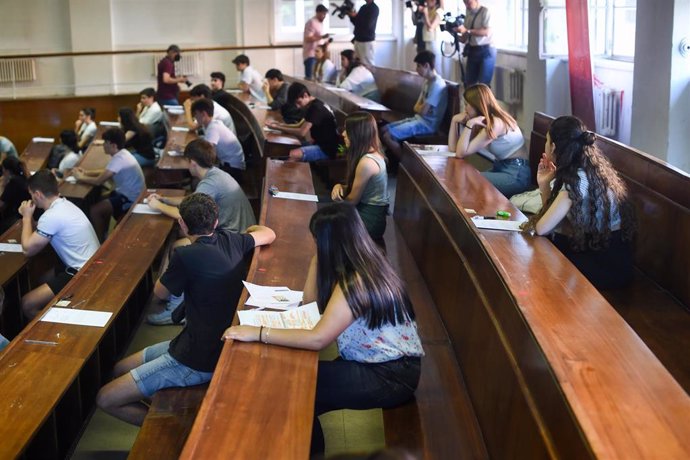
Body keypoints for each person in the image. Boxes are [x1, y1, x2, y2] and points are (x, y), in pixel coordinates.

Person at [223, 203, 423, 456]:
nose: (315, 244)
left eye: (317, 240)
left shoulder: (357, 281)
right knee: (299, 382)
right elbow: (310, 304)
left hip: (389, 374)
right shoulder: (366, 261)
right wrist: (317, 260)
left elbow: (318, 338)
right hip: (383, 362)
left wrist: (258, 332)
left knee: (297, 390)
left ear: (330, 241)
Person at [96, 193, 275, 426]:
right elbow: (268, 233)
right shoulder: (232, 240)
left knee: (105, 398)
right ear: (216, 222)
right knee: (121, 368)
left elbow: (160, 294)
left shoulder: (185, 255)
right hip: (199, 342)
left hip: (194, 359)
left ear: (182, 223)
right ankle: (163, 410)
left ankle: (171, 428)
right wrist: (249, 229)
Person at [146, 139, 256, 325]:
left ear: (192, 162)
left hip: (231, 237)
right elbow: (192, 201)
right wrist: (165, 199)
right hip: (237, 233)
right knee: (182, 239)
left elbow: (186, 215)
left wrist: (157, 206)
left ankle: (175, 308)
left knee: (179, 248)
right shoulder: (216, 174)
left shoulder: (210, 183)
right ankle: (172, 292)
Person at [522, 116, 635, 289]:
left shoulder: (576, 181)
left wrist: (544, 187)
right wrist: (544, 186)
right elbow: (550, 223)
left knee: (543, 262)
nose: (545, 145)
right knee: (547, 248)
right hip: (604, 249)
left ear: (553, 147)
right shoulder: (586, 167)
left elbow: (542, 228)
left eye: (547, 140)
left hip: (606, 262)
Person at [18, 170, 100, 318]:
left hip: (83, 272)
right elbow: (42, 229)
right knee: (41, 278)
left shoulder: (51, 216)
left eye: (31, 195)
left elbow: (27, 250)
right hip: (91, 263)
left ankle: (53, 328)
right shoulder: (64, 204)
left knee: (27, 303)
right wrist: (30, 220)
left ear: (37, 194)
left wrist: (26, 217)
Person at [448, 83, 530, 197]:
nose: (464, 108)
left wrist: (469, 124)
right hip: (501, 167)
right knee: (463, 175)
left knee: (468, 179)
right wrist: (453, 121)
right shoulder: (481, 121)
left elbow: (460, 153)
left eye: (467, 104)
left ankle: (474, 214)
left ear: (477, 105)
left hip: (516, 174)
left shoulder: (495, 123)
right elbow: (454, 149)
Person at [73, 128, 145, 242]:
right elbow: (107, 171)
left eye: (105, 142)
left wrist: (80, 177)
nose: (103, 145)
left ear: (113, 145)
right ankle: (104, 232)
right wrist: (86, 172)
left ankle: (99, 242)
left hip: (131, 198)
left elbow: (98, 181)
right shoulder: (122, 154)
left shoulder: (119, 159)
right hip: (126, 192)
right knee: (99, 199)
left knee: (95, 210)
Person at [381, 50, 447, 162]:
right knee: (383, 129)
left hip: (427, 125)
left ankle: (406, 166)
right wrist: (419, 108)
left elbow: (422, 111)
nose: (416, 70)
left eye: (418, 66)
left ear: (427, 65)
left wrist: (419, 108)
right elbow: (417, 107)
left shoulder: (438, 85)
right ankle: (392, 162)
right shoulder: (427, 82)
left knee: (388, 136)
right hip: (418, 119)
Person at [331, 112, 389, 239]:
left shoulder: (367, 162)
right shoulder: (371, 154)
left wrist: (337, 201)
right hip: (366, 212)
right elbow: (358, 189)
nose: (343, 134)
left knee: (326, 226)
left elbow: (352, 201)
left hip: (369, 220)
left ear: (358, 133)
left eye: (347, 130)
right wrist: (339, 186)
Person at [266, 83, 342, 162]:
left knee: (292, 154)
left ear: (305, 95)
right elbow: (299, 125)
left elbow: (302, 132)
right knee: (284, 148)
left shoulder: (316, 108)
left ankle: (287, 174)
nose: (298, 106)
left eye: (298, 102)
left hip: (326, 149)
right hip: (318, 143)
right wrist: (280, 125)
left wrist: (277, 127)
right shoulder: (313, 104)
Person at [191, 98, 245, 179]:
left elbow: (206, 153)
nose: (195, 118)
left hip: (233, 169)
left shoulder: (213, 127)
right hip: (230, 165)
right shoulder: (213, 124)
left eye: (195, 114)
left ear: (203, 114)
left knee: (198, 171)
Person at [456, 0, 496, 87]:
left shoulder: (485, 11)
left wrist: (468, 31)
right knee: (469, 83)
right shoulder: (468, 13)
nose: (467, 5)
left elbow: (487, 32)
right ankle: (470, 100)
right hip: (473, 50)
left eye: (468, 2)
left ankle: (483, 101)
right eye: (465, 3)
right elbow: (464, 39)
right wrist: (453, 33)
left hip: (486, 50)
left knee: (483, 85)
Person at [0, 156, 30, 233]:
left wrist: (2, 186)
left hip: (17, 218)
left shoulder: (13, 183)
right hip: (26, 214)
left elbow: (1, 204)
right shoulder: (23, 177)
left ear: (6, 171)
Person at [347, 0, 379, 68]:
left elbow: (368, 24)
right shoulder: (363, 7)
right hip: (358, 39)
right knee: (358, 63)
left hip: (367, 41)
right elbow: (356, 23)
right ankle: (361, 78)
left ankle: (370, 78)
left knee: (368, 64)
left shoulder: (374, 8)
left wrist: (357, 17)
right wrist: (351, 16)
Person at [303, 4, 330, 80]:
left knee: (318, 77)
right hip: (311, 55)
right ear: (318, 12)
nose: (324, 16)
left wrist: (325, 42)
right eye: (323, 14)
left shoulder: (320, 23)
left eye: (325, 14)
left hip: (319, 55)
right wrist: (322, 37)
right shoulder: (311, 22)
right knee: (310, 78)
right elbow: (308, 38)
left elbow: (319, 39)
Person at [421, 0, 444, 64]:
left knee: (436, 65)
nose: (426, 2)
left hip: (435, 41)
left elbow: (430, 28)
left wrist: (426, 14)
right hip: (428, 39)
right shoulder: (428, 10)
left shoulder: (439, 11)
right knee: (429, 64)